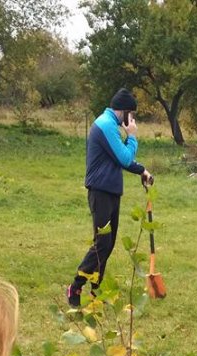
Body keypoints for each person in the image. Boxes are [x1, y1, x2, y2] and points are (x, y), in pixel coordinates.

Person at [67, 87, 153, 307]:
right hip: (100, 191)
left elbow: (119, 158)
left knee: (108, 243)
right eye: (131, 114)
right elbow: (124, 158)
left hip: (111, 191)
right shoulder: (105, 125)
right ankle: (75, 286)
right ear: (123, 111)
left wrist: (142, 170)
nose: (132, 119)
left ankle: (98, 292)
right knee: (102, 243)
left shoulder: (111, 125)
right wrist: (132, 136)